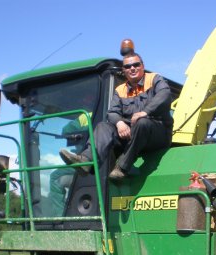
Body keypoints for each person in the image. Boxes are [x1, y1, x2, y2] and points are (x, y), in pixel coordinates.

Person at [60, 52, 173, 180]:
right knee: (103, 126)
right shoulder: (120, 90)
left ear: (142, 66)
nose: (132, 68)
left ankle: (122, 167)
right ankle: (86, 161)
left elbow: (164, 94)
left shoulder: (154, 79)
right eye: (128, 66)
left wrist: (145, 112)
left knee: (142, 122)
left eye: (136, 64)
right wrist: (119, 123)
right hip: (134, 136)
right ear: (124, 70)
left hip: (157, 134)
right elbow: (112, 112)